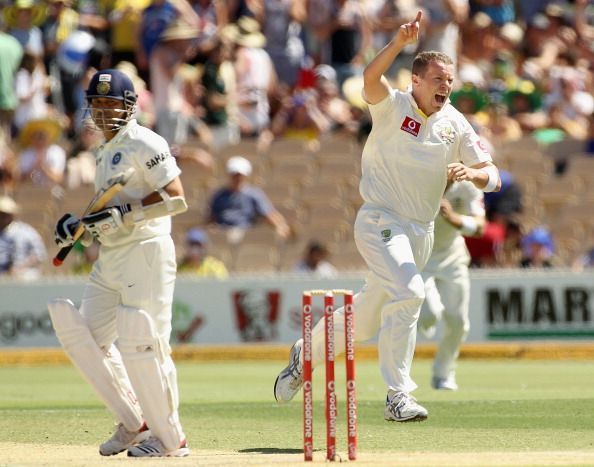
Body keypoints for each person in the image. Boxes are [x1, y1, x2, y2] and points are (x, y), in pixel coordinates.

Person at [274, 11, 501, 422]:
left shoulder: (455, 124)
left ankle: (303, 352)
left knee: (362, 323)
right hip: (380, 219)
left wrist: (475, 173)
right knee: (412, 292)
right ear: (415, 80)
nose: (445, 87)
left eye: (449, 81)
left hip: (421, 231)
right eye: (437, 79)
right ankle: (398, 395)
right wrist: (397, 42)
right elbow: (368, 79)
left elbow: (494, 174)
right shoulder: (393, 106)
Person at [48, 68, 190, 457]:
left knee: (146, 343)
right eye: (99, 103)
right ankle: (135, 423)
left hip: (145, 251)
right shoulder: (104, 149)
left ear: (130, 107)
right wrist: (79, 228)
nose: (105, 110)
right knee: (86, 339)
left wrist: (127, 213)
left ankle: (171, 438)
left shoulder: (145, 141)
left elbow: (177, 197)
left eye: (113, 103)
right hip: (111, 257)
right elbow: (106, 213)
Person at [417, 181, 486, 391]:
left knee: (458, 322)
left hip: (452, 257)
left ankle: (443, 374)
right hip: (421, 256)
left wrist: (453, 217)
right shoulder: (421, 176)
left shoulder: (468, 187)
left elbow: (480, 227)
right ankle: (421, 320)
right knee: (431, 314)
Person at [208, 155, 290, 242]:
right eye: (234, 175)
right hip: (223, 235)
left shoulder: (253, 194)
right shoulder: (219, 196)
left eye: (240, 175)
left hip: (245, 234)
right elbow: (211, 219)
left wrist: (281, 226)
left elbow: (269, 214)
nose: (237, 178)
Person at [0, 195, 47, 280]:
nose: (2, 217)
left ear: (12, 215)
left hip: (22, 274)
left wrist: (20, 267)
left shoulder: (26, 232)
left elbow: (39, 254)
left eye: (5, 214)